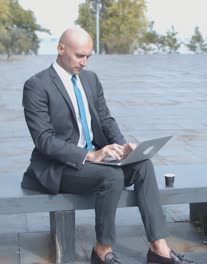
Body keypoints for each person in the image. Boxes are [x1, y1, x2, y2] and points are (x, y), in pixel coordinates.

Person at [21, 26, 196, 264]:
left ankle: (159, 248)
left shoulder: (90, 80)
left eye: (88, 56)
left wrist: (124, 149)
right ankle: (102, 250)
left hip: (96, 160)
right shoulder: (37, 86)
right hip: (59, 167)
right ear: (61, 49)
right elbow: (44, 141)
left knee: (143, 166)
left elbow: (105, 120)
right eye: (79, 55)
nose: (84, 62)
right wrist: (89, 155)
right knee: (111, 177)